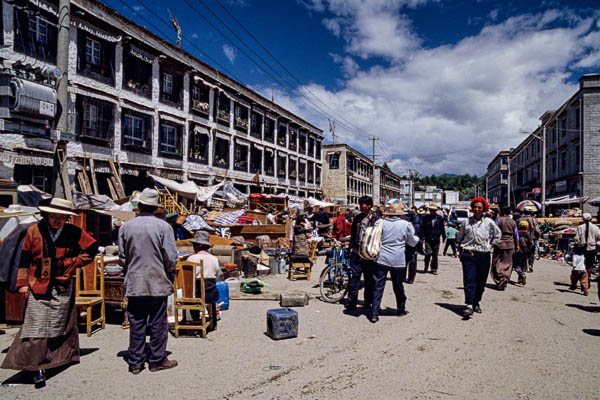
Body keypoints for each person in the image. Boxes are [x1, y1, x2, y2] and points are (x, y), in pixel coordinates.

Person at [1, 198, 98, 388]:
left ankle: (59, 359)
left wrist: (74, 264)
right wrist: (22, 284)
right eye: (54, 216)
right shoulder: (34, 231)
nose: (57, 221)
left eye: (61, 218)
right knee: (35, 325)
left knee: (59, 322)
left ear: (66, 219)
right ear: (47, 215)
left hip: (62, 285)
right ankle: (35, 367)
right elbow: (24, 259)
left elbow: (92, 248)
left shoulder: (73, 232)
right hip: (37, 284)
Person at [119, 188, 179, 375]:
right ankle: (157, 359)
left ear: (140, 206)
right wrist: (170, 273)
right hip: (157, 282)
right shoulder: (164, 227)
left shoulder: (125, 227)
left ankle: (135, 362)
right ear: (155, 208)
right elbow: (171, 257)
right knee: (157, 322)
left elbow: (123, 258)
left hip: (135, 282)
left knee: (136, 321)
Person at [370, 204, 420, 323]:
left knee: (378, 286)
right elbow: (412, 242)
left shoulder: (380, 223)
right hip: (398, 259)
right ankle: (401, 308)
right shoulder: (406, 225)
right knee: (398, 285)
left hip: (382, 257)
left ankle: (374, 313)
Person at [457, 197, 501, 319]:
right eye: (474, 207)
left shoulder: (489, 222)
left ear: (484, 209)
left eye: (479, 207)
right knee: (469, 279)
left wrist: (492, 244)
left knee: (481, 281)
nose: (476, 209)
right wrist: (460, 250)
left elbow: (498, 234)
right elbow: (460, 237)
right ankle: (469, 304)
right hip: (469, 254)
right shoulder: (466, 222)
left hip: (484, 254)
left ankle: (476, 302)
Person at [345, 196, 380, 312]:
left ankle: (367, 303)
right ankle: (351, 303)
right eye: (360, 204)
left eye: (363, 204)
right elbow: (353, 233)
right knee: (355, 278)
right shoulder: (358, 218)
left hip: (369, 252)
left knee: (369, 279)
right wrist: (351, 247)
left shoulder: (376, 219)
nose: (361, 207)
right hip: (356, 250)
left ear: (369, 205)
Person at [187, 230, 221, 330]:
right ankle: (213, 323)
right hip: (211, 291)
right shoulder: (214, 259)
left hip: (196, 292)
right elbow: (217, 273)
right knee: (212, 301)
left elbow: (188, 276)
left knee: (191, 297)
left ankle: (196, 320)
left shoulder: (191, 258)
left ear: (198, 246)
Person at [490, 206, 519, 290]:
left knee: (496, 262)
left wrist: (491, 242)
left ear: (501, 212)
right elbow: (516, 235)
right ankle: (505, 277)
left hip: (499, 243)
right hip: (510, 244)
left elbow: (493, 232)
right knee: (508, 263)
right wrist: (517, 245)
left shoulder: (498, 220)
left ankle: (499, 278)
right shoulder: (513, 221)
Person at [421, 203, 446, 275]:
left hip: (436, 238)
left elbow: (442, 228)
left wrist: (444, 236)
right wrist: (422, 237)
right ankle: (426, 266)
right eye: (431, 210)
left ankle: (434, 268)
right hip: (428, 238)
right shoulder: (425, 218)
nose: (432, 211)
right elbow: (423, 228)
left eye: (433, 210)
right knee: (428, 253)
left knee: (435, 254)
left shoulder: (439, 218)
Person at [575, 213, 600, 277]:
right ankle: (588, 276)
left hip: (582, 248)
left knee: (581, 264)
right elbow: (598, 237)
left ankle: (583, 278)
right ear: (591, 219)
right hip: (592, 248)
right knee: (590, 263)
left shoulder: (580, 227)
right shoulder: (596, 228)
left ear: (583, 219)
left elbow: (577, 239)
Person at [401, 208, 421, 284]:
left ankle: (404, 277)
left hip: (405, 246)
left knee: (404, 262)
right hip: (413, 246)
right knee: (412, 263)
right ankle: (411, 278)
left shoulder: (403, 225)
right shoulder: (417, 226)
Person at [520, 207, 540, 272]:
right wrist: (537, 237)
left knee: (523, 253)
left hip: (521, 239)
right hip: (531, 239)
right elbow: (537, 230)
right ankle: (531, 265)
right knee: (531, 253)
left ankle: (524, 267)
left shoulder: (519, 219)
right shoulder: (533, 219)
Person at [513, 220, 530, 286]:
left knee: (517, 266)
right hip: (526, 252)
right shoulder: (528, 234)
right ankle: (520, 280)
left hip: (518, 251)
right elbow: (531, 244)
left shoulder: (517, 234)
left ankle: (521, 274)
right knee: (523, 265)